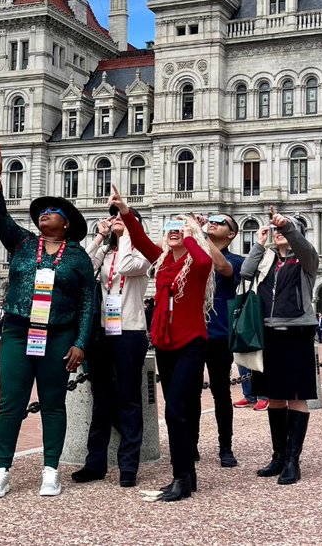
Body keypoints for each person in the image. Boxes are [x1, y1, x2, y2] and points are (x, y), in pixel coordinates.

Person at [0, 144, 92, 499]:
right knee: (10, 402)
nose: (44, 214)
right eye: (41, 212)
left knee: (53, 402)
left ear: (67, 222)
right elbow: (0, 218)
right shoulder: (23, 244)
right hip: (17, 332)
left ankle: (50, 470)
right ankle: (1, 470)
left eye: (53, 211)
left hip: (58, 335)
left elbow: (89, 302)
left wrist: (80, 343)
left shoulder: (77, 257)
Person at [114, 184, 212, 502]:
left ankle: (181, 477)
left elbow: (201, 257)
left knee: (176, 412)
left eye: (179, 227)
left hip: (191, 343)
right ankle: (188, 475)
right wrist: (126, 211)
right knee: (175, 410)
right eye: (169, 226)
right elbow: (141, 241)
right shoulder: (162, 262)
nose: (173, 232)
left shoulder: (197, 263)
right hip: (165, 344)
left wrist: (190, 232)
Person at [73, 208, 152, 488]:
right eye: (114, 216)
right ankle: (95, 463)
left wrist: (128, 232)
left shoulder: (143, 252)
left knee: (129, 398)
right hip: (102, 330)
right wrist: (99, 238)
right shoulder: (105, 253)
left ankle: (128, 465)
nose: (116, 219)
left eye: (123, 217)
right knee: (101, 398)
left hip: (129, 330)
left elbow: (128, 267)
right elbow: (81, 268)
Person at [242, 207, 319, 486]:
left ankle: (292, 460)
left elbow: (300, 243)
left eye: (284, 230)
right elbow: (245, 272)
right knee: (274, 396)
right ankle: (278, 455)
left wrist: (288, 226)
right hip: (269, 332)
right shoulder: (269, 260)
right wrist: (259, 245)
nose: (279, 234)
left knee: (297, 396)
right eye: (277, 230)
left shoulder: (306, 260)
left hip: (296, 332)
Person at [192, 213, 243, 468]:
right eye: (210, 220)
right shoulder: (196, 254)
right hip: (192, 332)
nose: (213, 223)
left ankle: (226, 447)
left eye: (221, 222)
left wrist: (201, 234)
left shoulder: (236, 260)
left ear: (231, 234)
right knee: (190, 393)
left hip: (220, 334)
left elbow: (223, 268)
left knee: (221, 393)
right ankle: (191, 445)